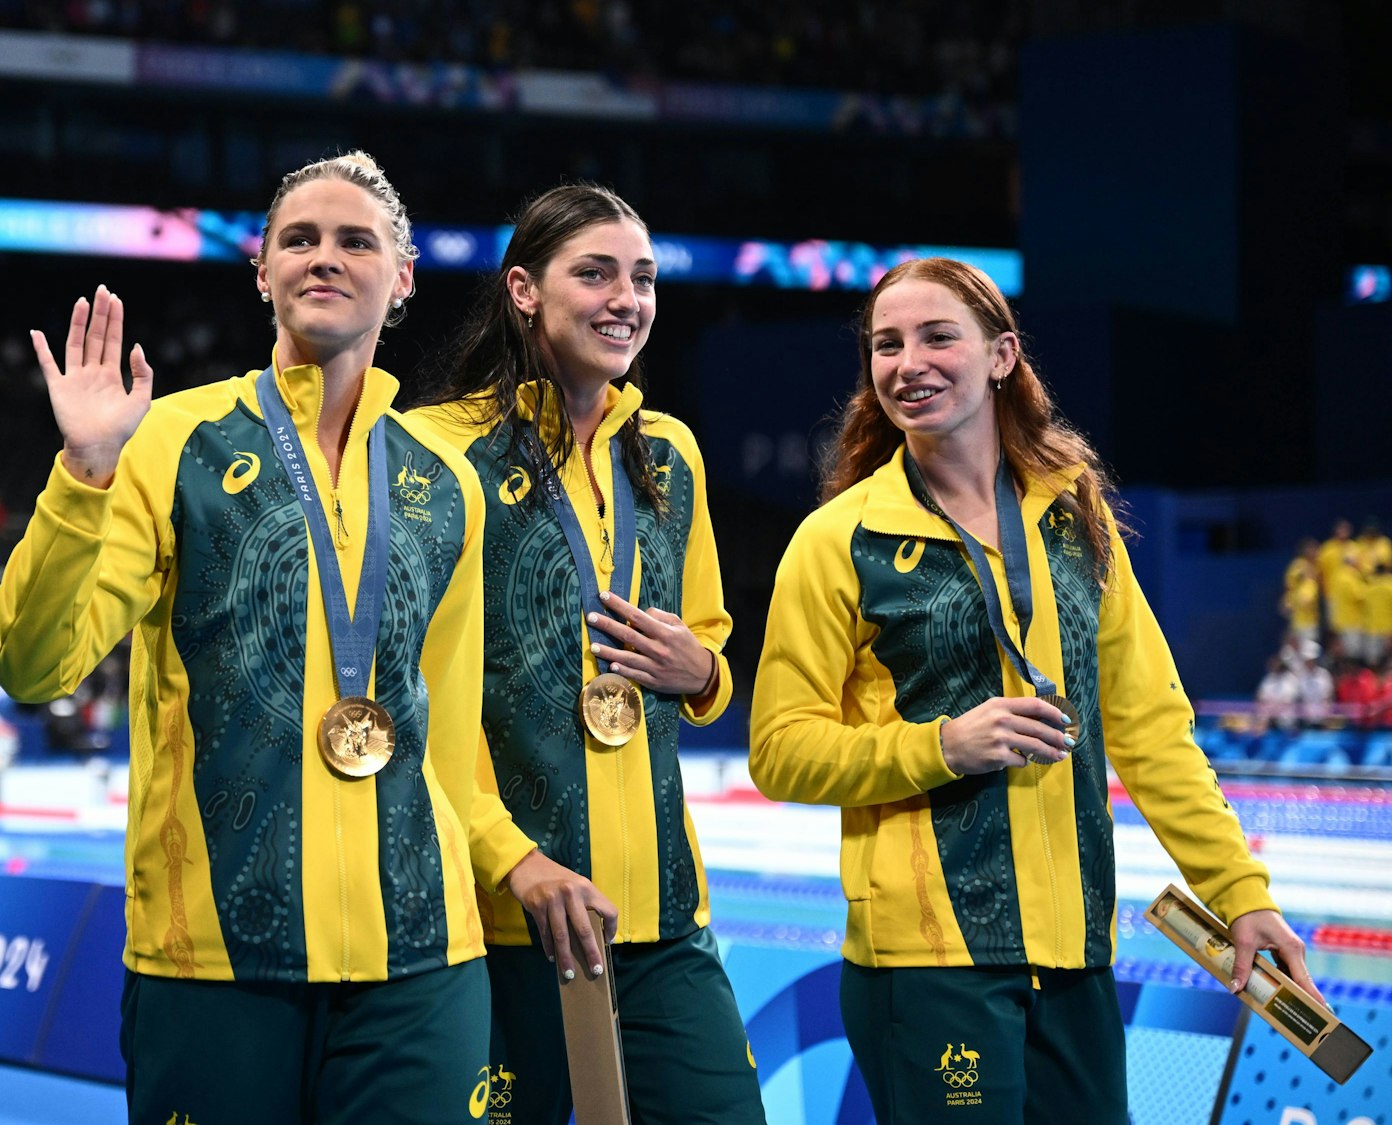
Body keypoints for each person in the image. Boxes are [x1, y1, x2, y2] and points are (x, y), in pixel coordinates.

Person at [748, 257, 1321, 1124]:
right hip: (929, 962)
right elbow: (780, 750)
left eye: (939, 335)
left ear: (1002, 355)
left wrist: (1241, 894)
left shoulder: (1074, 516)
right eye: (887, 344)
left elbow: (1153, 731)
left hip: (1075, 954)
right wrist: (943, 745)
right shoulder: (838, 540)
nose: (910, 361)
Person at [0, 152, 497, 1125]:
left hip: (420, 954)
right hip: (213, 957)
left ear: (403, 277)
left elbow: (454, 736)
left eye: (356, 240)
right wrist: (84, 475)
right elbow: (31, 664)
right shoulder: (172, 441)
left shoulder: (447, 478)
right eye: (297, 238)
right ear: (260, 271)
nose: (324, 256)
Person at [407, 183, 764, 1125]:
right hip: (502, 919)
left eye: (642, 277)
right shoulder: (435, 455)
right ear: (524, 289)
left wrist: (705, 675)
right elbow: (411, 694)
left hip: (659, 919)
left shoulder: (671, 454)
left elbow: (711, 646)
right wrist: (509, 858)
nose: (627, 298)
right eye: (595, 272)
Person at [1281, 538, 1320, 650]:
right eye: (1311, 549)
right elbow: (1289, 586)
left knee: (1310, 650)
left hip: (1311, 620)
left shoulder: (1316, 566)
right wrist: (1287, 601)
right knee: (1295, 649)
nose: (1314, 551)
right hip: (1297, 620)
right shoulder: (1298, 564)